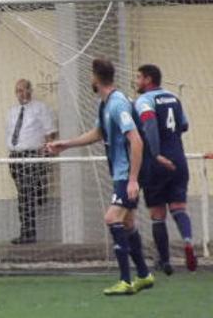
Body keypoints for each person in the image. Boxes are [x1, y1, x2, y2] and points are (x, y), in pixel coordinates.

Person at [46, 59, 153, 296]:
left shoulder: (117, 104)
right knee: (127, 223)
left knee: (111, 217)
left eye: (91, 76)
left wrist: (133, 179)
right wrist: (65, 144)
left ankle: (125, 280)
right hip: (121, 173)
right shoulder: (104, 104)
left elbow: (136, 141)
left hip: (128, 174)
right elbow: (97, 133)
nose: (90, 80)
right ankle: (144, 275)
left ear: (96, 77)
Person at [133, 64, 195, 274]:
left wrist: (156, 152)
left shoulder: (144, 100)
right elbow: (184, 125)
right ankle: (187, 241)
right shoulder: (173, 97)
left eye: (139, 77)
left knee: (157, 214)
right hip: (178, 158)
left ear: (148, 79)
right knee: (178, 208)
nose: (137, 81)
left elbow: (149, 124)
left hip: (157, 162)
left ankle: (165, 261)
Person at [5, 79, 57, 244]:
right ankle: (27, 230)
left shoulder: (40, 108)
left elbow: (51, 132)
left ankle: (28, 234)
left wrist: (46, 156)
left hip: (32, 156)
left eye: (24, 89)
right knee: (23, 194)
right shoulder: (12, 111)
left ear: (30, 90)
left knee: (25, 195)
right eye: (18, 91)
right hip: (15, 157)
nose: (22, 93)